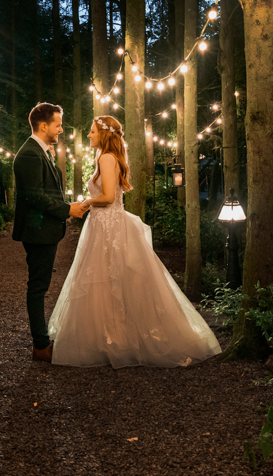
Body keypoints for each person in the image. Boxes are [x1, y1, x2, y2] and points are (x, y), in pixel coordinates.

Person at [48, 116, 221, 368]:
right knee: (106, 282)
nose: (89, 135)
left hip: (109, 227)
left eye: (92, 131)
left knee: (112, 280)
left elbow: (107, 196)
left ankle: (117, 340)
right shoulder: (105, 158)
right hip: (104, 224)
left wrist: (85, 202)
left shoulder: (107, 158)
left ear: (104, 135)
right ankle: (111, 338)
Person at [12, 103, 86, 363]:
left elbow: (48, 187)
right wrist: (68, 210)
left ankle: (41, 341)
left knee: (40, 285)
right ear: (43, 126)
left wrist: (52, 161)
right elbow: (35, 197)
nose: (61, 129)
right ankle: (41, 345)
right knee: (38, 287)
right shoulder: (30, 154)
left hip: (44, 230)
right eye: (57, 124)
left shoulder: (41, 152)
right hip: (37, 231)